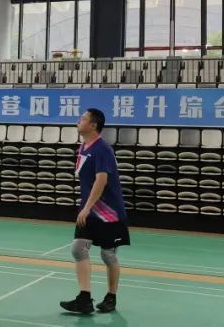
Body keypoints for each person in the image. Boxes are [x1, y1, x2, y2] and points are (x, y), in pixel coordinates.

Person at [60, 108, 129, 315]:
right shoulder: (83, 147)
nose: (78, 121)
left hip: (109, 213)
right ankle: (84, 299)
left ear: (93, 125)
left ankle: (111, 297)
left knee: (108, 255)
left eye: (83, 119)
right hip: (88, 210)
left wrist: (87, 207)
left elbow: (102, 180)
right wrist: (86, 208)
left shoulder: (103, 149)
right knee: (78, 249)